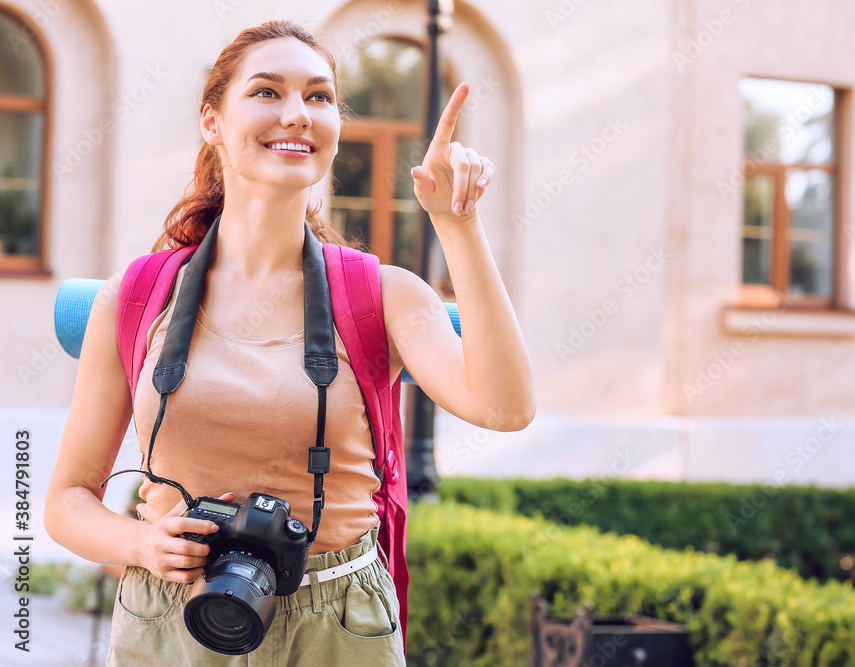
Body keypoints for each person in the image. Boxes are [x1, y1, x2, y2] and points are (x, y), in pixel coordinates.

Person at [44, 19, 535, 666]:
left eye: (320, 96)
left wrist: (458, 224)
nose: (298, 114)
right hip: (171, 615)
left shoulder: (381, 295)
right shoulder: (135, 298)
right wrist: (140, 542)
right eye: (268, 92)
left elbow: (505, 408)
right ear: (212, 121)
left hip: (336, 622)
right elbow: (67, 499)